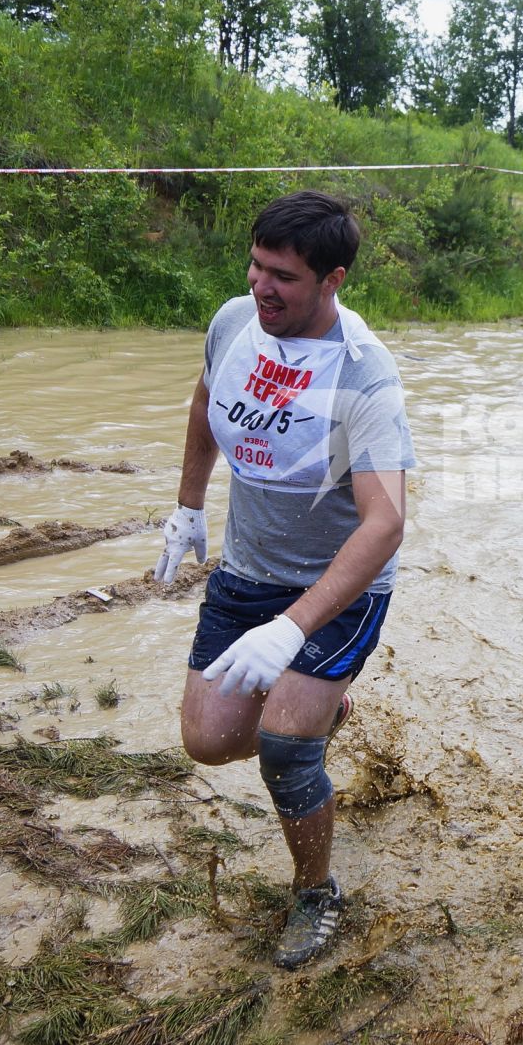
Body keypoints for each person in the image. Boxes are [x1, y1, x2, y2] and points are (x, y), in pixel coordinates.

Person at [153, 189, 415, 970]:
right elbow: (206, 401)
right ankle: (325, 706)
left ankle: (315, 892)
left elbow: (385, 522)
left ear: (333, 279)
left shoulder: (365, 376)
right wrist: (187, 508)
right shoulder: (235, 322)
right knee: (209, 741)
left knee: (281, 746)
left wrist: (293, 628)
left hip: (340, 587)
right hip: (248, 569)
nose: (263, 287)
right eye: (257, 267)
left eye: (285, 277)